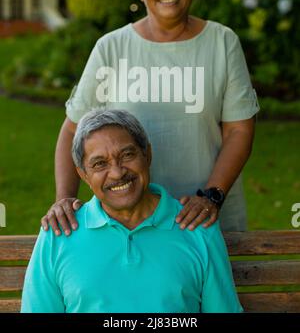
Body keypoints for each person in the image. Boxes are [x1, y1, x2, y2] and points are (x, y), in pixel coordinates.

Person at [42, 0, 259, 235]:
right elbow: (73, 128)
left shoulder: (222, 42)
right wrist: (64, 199)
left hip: (205, 220)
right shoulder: (111, 48)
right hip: (127, 224)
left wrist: (211, 196)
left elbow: (239, 130)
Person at [22, 109, 243, 313]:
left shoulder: (198, 228)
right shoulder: (58, 233)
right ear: (83, 175)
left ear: (147, 155)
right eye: (99, 164)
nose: (117, 173)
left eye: (127, 155)